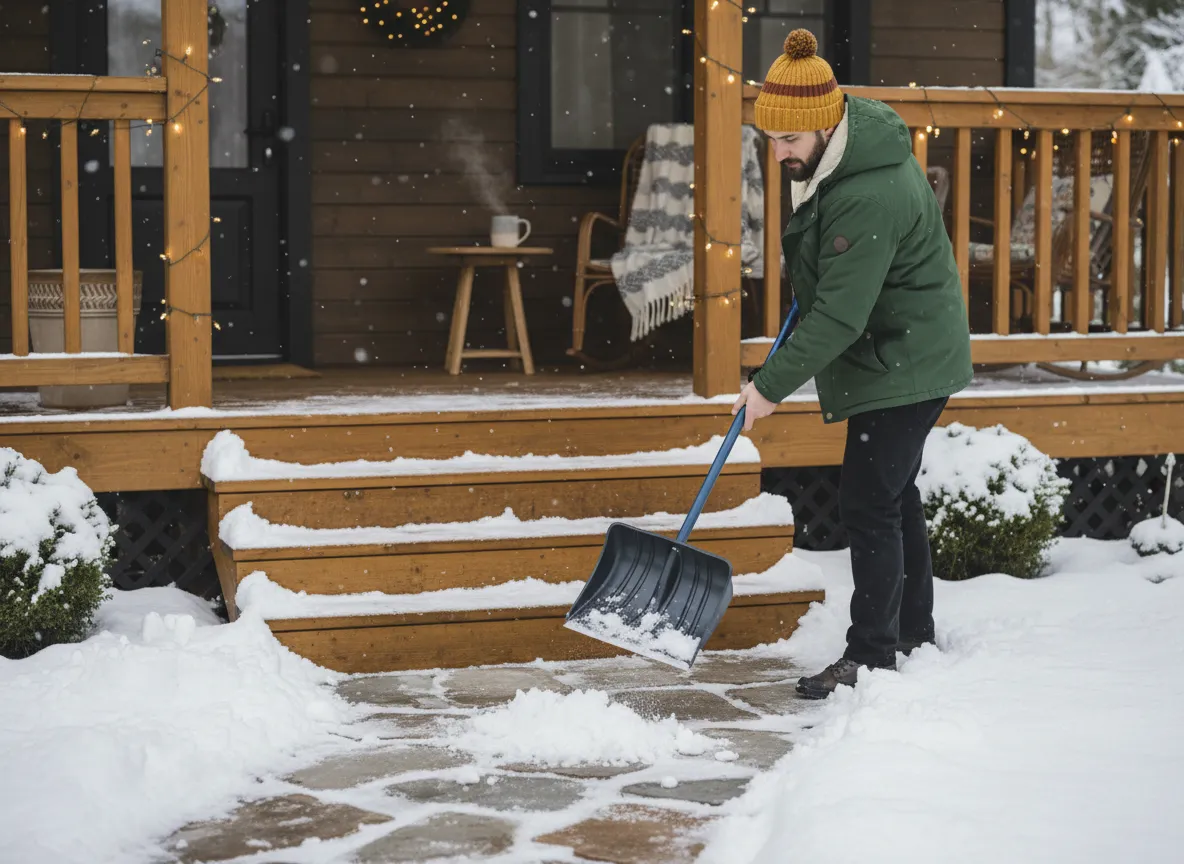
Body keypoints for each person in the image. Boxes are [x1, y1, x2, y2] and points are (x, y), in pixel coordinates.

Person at [730, 28, 974, 699]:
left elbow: (841, 315)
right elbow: (836, 285)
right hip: (899, 348)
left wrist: (768, 388)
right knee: (894, 496)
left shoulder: (868, 192)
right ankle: (911, 629)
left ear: (822, 127)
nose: (776, 153)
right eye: (770, 140)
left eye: (787, 142)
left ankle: (871, 654)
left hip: (907, 359)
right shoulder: (838, 162)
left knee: (870, 503)